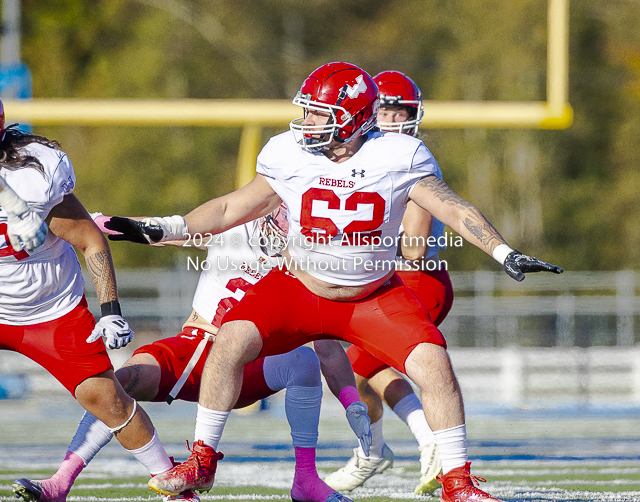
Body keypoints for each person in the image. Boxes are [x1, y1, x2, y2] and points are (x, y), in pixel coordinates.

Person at [107, 62, 563, 502]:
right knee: (230, 340)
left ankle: (458, 482)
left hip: (371, 296)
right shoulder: (288, 151)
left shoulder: (397, 154)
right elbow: (231, 208)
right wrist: (169, 226)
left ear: (353, 118)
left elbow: (452, 208)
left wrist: (503, 251)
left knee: (434, 365)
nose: (306, 122)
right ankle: (202, 461)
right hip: (300, 289)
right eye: (306, 110)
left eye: (318, 113)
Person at [13, 207, 370, 502]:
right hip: (194, 347)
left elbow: (325, 344)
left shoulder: (309, 263)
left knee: (303, 361)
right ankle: (60, 483)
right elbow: (168, 233)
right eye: (280, 204)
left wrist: (351, 400)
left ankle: (305, 481)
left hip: (249, 366)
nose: (283, 215)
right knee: (118, 385)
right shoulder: (235, 226)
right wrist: (103, 225)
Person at [0, 103, 177, 502]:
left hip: (49, 310)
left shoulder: (32, 176)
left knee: (107, 399)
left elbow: (90, 239)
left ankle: (172, 486)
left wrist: (111, 311)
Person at [324, 70, 452, 495]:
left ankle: (425, 439)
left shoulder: (411, 156)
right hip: (382, 279)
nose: (395, 121)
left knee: (358, 364)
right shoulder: (361, 157)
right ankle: (373, 450)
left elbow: (414, 246)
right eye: (386, 111)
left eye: (402, 112)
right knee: (357, 375)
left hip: (417, 278)